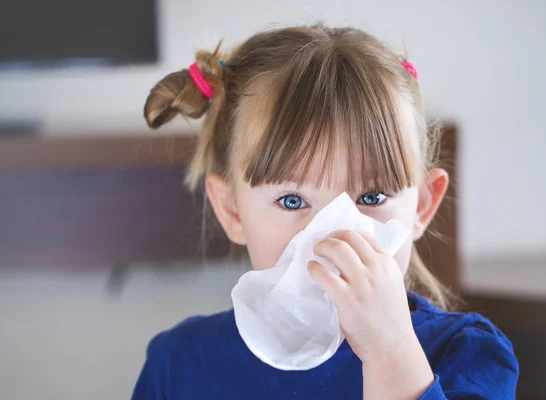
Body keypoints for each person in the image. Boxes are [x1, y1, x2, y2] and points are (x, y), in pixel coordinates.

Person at [133, 23, 518, 399]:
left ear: (421, 205)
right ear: (233, 211)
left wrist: (390, 350)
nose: (332, 237)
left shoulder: (470, 356)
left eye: (372, 197)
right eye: (292, 201)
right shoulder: (178, 364)